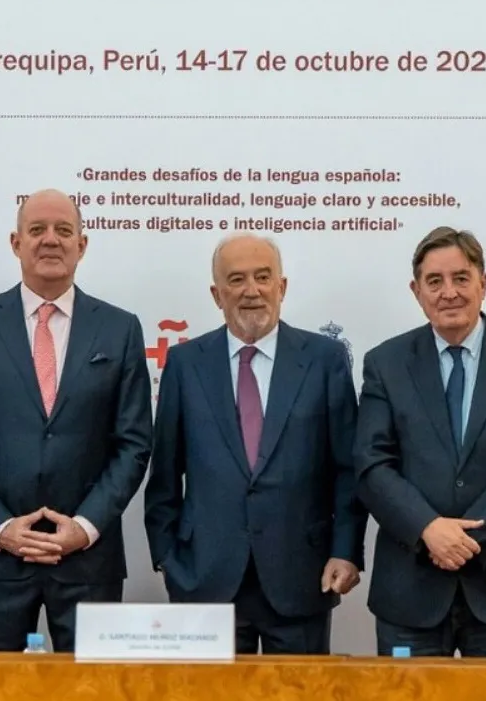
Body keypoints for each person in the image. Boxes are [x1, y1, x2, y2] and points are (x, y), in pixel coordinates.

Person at [0, 188, 153, 652]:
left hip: (88, 561)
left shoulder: (120, 329)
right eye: (37, 230)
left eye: (63, 230)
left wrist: (85, 527)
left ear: (83, 243)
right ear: (16, 243)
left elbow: (133, 444)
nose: (50, 240)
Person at [143, 233, 367, 655]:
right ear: (217, 294)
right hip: (205, 580)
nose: (251, 291)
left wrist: (346, 551)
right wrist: (168, 559)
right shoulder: (185, 365)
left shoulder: (325, 360)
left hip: (302, 576)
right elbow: (166, 474)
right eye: (237, 279)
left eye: (263, 277)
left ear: (282, 287)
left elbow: (347, 470)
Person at [353, 226, 486, 658]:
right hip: (411, 589)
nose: (449, 292)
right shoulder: (385, 363)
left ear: (483, 284)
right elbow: (372, 464)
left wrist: (464, 536)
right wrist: (428, 528)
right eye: (435, 281)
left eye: (461, 278)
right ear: (416, 291)